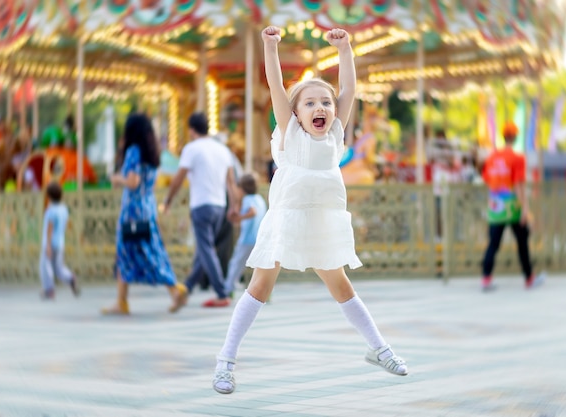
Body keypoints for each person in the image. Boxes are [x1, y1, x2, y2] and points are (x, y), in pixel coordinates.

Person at [212, 26, 408, 395]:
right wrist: (270, 47)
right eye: (309, 103)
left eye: (326, 102)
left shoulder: (334, 133)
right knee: (260, 286)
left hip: (323, 219)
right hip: (287, 216)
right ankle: (225, 361)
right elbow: (275, 87)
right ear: (295, 112)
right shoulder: (291, 133)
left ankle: (379, 348)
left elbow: (348, 90)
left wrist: (346, 50)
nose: (320, 107)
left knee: (341, 286)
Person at [102, 113, 188, 315]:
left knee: (130, 250)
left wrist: (116, 179)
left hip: (133, 210)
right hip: (147, 207)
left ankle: (172, 289)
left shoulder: (133, 151)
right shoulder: (152, 153)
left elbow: (133, 182)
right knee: (151, 249)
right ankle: (124, 299)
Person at [161, 112, 238, 308]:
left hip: (201, 205)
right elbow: (231, 182)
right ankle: (186, 288)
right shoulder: (222, 150)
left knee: (205, 249)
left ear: (191, 130)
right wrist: (235, 205)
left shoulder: (191, 149)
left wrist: (168, 201)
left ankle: (221, 292)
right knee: (204, 251)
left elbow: (178, 178)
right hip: (220, 205)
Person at [478, 122, 545, 292]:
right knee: (522, 241)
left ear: (503, 136)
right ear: (515, 137)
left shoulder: (492, 157)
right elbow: (518, 184)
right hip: (512, 204)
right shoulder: (518, 158)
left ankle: (486, 278)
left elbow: (486, 178)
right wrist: (525, 209)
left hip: (495, 204)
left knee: (493, 242)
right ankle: (529, 278)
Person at [223, 173, 267, 297]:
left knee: (236, 263)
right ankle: (266, 292)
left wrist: (241, 217)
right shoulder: (259, 199)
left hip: (247, 239)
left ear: (242, 189)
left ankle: (228, 288)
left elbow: (253, 212)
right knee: (262, 267)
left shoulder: (248, 200)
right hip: (259, 239)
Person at [39, 181, 80, 299]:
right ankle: (70, 278)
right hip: (60, 242)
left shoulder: (50, 211)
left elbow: (49, 228)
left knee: (45, 266)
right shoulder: (64, 209)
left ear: (48, 196)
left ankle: (49, 289)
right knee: (59, 267)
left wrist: (47, 245)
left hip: (50, 243)